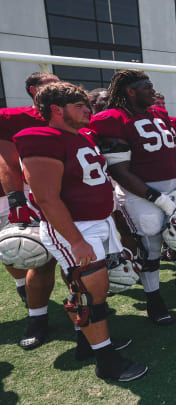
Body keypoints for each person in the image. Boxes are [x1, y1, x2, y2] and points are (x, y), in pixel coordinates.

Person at [16, 81, 147, 381]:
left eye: (87, 105)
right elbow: (47, 198)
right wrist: (75, 240)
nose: (88, 110)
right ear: (56, 110)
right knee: (89, 295)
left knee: (95, 292)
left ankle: (87, 344)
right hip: (75, 229)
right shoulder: (40, 138)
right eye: (80, 106)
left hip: (97, 224)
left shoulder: (81, 136)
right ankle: (106, 362)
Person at [91, 69, 176, 326]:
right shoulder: (112, 119)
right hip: (140, 195)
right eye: (146, 86)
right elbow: (119, 170)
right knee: (151, 248)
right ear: (130, 91)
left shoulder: (158, 115)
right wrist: (157, 198)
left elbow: (172, 154)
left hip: (171, 188)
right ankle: (154, 299)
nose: (152, 91)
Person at [0, 72, 59, 350]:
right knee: (35, 256)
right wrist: (16, 199)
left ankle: (84, 310)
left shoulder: (67, 114)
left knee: (79, 261)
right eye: (52, 83)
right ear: (34, 90)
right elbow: (8, 161)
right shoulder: (13, 118)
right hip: (33, 195)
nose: (60, 87)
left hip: (69, 194)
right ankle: (37, 317)